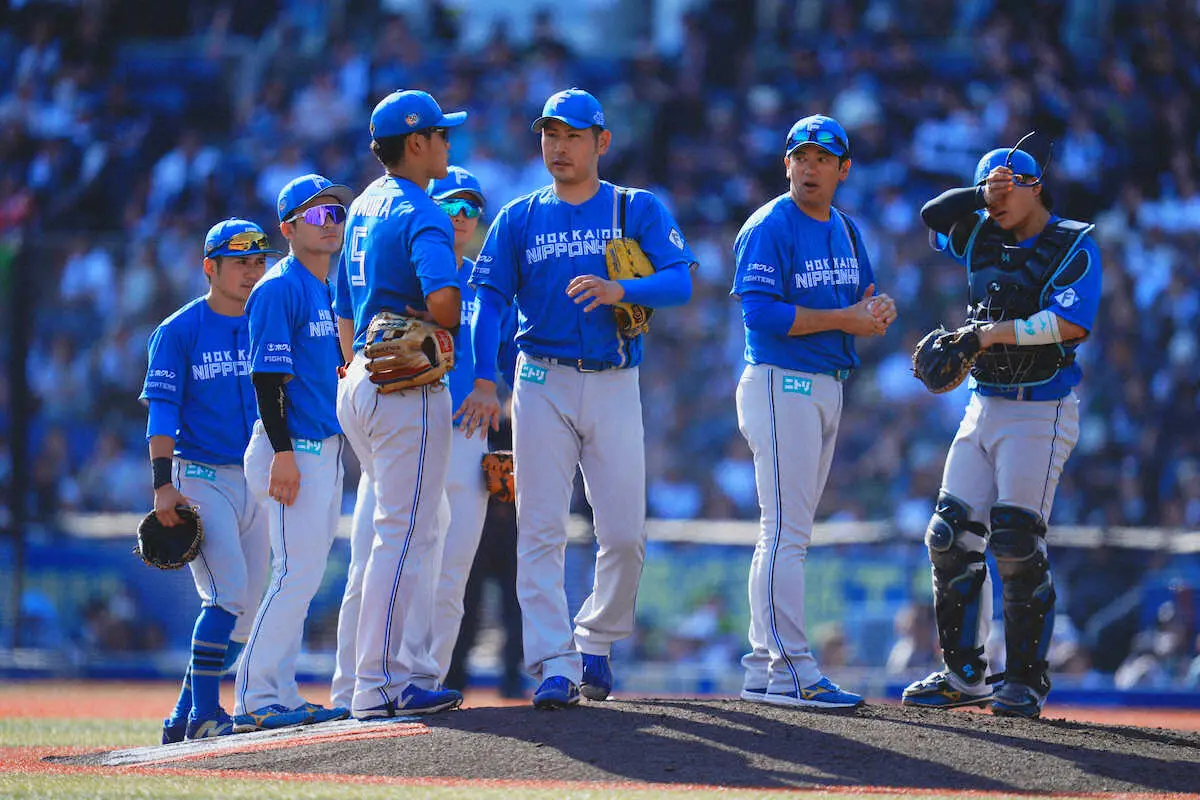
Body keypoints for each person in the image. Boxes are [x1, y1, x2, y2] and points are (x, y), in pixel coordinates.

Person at [456, 88, 697, 709]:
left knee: (622, 534)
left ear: (601, 142)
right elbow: (487, 301)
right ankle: (554, 664)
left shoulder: (631, 207)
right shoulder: (518, 217)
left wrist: (621, 288)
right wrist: (486, 375)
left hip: (615, 379)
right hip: (539, 379)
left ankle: (596, 638)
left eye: (571, 135)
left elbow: (678, 282)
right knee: (539, 530)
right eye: (549, 134)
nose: (558, 147)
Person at [901, 136, 1102, 719]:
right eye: (992, 192)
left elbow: (1068, 323)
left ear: (1038, 188)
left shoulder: (1074, 242)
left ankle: (1025, 680)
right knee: (949, 534)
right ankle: (965, 674)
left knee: (1014, 541)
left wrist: (986, 335)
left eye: (1012, 190)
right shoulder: (979, 231)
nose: (999, 202)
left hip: (1042, 406)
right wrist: (983, 192)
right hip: (984, 401)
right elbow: (932, 215)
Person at [730, 114, 896, 710]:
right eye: (800, 155)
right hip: (781, 382)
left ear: (843, 169)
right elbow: (762, 315)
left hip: (825, 383)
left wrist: (874, 312)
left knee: (781, 534)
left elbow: (862, 299)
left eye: (823, 158)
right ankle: (791, 669)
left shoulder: (847, 230)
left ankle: (760, 667)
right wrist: (848, 319)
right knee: (786, 536)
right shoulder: (771, 224)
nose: (810, 166)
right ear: (787, 164)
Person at [332, 89, 465, 718]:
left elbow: (340, 310)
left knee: (401, 530)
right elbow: (445, 306)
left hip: (361, 374)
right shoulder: (423, 211)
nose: (447, 143)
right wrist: (431, 317)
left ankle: (380, 677)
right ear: (416, 143)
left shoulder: (360, 207)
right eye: (441, 135)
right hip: (403, 386)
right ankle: (380, 683)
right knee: (402, 534)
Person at [142, 218, 279, 742]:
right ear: (210, 267)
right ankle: (204, 714)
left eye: (258, 261)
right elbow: (161, 415)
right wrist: (162, 485)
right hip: (199, 476)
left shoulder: (266, 321)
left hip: (258, 476)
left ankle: (182, 716)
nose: (251, 270)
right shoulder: (179, 330)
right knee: (226, 595)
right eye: (240, 261)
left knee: (245, 615)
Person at [233, 173, 355, 733]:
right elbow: (267, 380)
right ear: (287, 228)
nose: (330, 223)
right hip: (292, 449)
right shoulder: (279, 286)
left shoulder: (329, 287)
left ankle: (279, 690)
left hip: (322, 449)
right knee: (291, 574)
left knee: (301, 576)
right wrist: (282, 452)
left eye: (337, 214)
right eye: (317, 214)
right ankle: (254, 697)